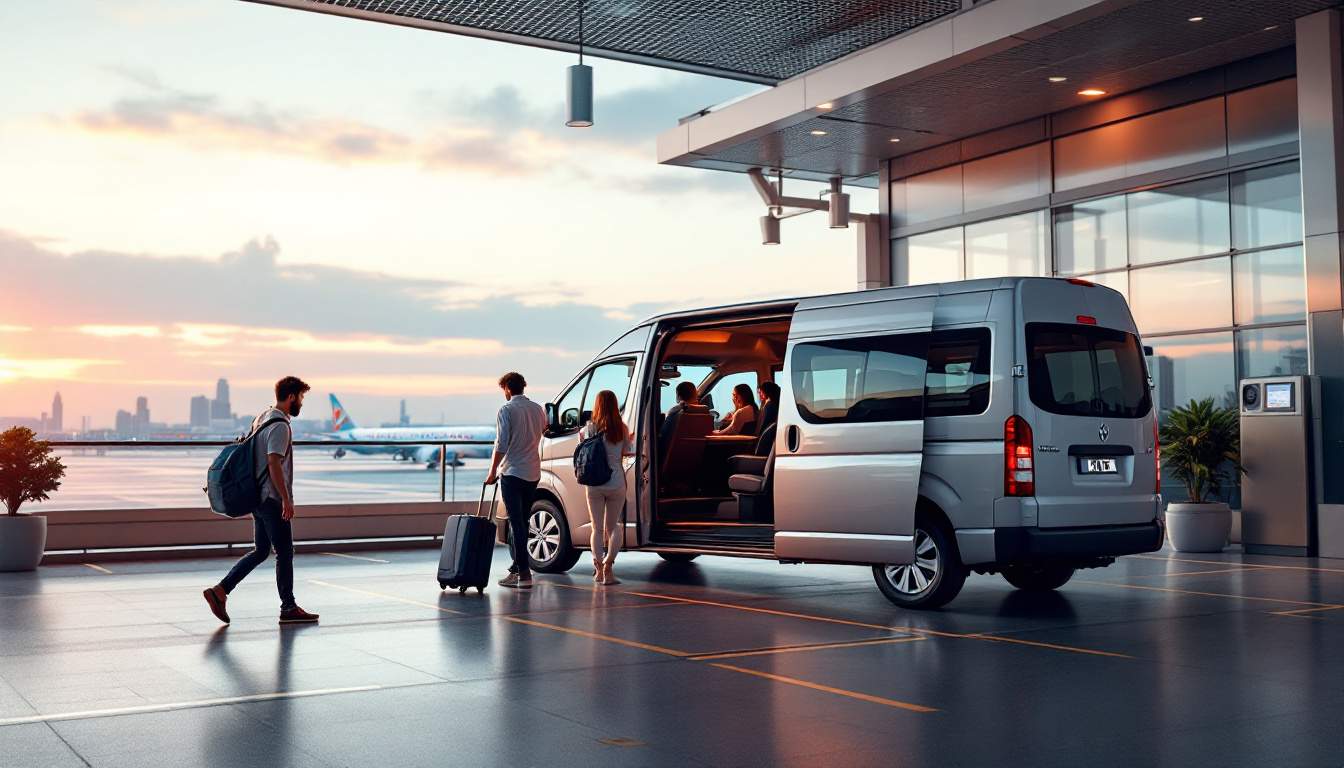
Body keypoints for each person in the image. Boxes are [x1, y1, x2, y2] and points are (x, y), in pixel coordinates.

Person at [204, 376, 319, 625]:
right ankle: (288, 607)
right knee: (285, 552)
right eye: (300, 397)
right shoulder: (280, 426)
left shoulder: (262, 418)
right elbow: (273, 462)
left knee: (262, 550)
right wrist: (286, 500)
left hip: (257, 496)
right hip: (270, 498)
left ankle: (220, 591)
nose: (301, 402)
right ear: (291, 397)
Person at [485, 371, 547, 590]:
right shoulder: (538, 409)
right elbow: (543, 432)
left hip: (512, 472)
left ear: (508, 389)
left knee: (517, 523)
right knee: (523, 522)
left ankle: (524, 574)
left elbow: (501, 445)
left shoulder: (506, 409)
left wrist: (492, 472)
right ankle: (517, 568)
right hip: (533, 472)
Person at [580, 390, 634, 586]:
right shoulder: (622, 428)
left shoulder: (589, 429)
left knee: (596, 528)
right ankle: (609, 567)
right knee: (613, 527)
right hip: (616, 482)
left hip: (593, 483)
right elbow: (627, 452)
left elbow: (584, 451)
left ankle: (598, 570)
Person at [659, 380, 699, 456]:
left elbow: (663, 438)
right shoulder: (703, 415)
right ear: (695, 396)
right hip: (696, 458)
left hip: (673, 459)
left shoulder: (674, 416)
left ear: (679, 397)